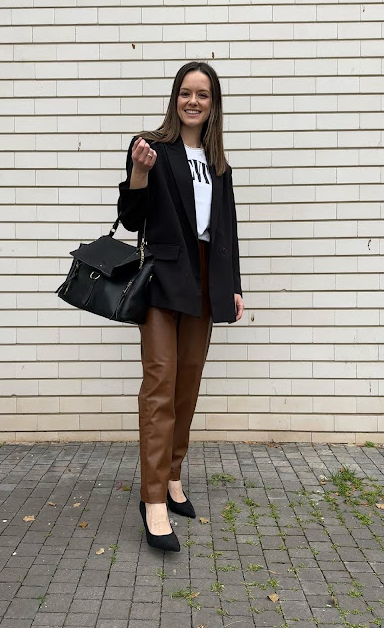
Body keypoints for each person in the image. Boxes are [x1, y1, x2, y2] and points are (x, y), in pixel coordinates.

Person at [117, 61, 244, 551]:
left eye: (204, 95)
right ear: (175, 97)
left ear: (214, 104)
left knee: (187, 384)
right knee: (160, 384)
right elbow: (131, 220)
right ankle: (152, 500)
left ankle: (172, 477)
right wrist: (138, 171)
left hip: (207, 278)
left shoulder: (218, 162)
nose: (194, 101)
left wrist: (231, 283)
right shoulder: (153, 146)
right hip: (163, 279)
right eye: (186, 93)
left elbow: (227, 231)